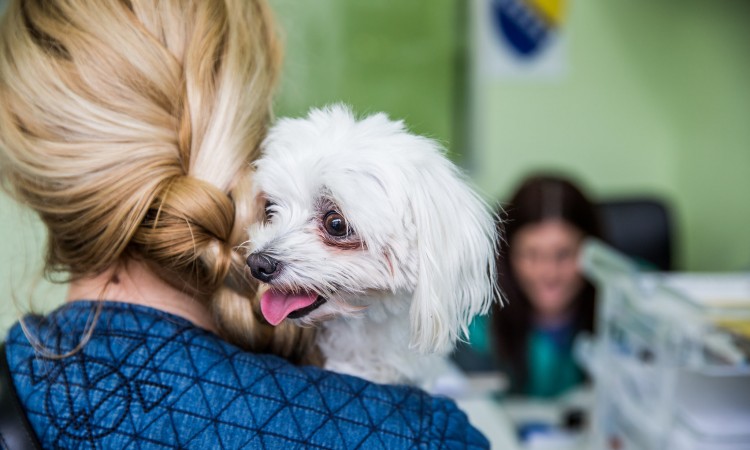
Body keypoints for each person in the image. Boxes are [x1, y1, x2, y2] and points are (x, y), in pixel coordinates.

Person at [0, 1, 488, 448]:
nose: (268, 251)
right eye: (272, 210)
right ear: (250, 123)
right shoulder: (421, 434)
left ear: (28, 171)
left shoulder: (22, 378)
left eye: (335, 225)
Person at [491, 174, 601, 398]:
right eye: (531, 255)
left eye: (564, 254)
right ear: (507, 254)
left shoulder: (633, 300)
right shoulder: (474, 323)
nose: (549, 273)